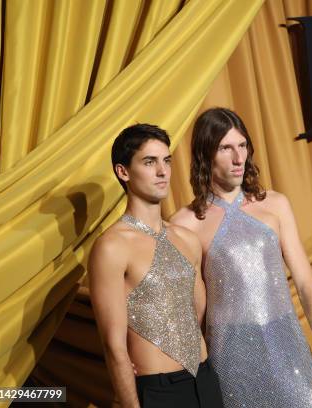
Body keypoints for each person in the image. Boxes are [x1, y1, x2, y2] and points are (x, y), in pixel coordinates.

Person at [170, 108, 312, 407]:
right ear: (205, 154)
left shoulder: (275, 205)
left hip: (287, 348)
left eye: (242, 145)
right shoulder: (185, 223)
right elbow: (185, 313)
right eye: (226, 148)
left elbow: (306, 284)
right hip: (230, 361)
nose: (239, 158)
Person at [88, 124, 224, 408]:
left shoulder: (187, 239)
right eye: (149, 162)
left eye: (166, 161)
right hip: (160, 391)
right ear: (123, 172)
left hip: (206, 380)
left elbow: (199, 318)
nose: (163, 172)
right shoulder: (112, 246)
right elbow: (113, 347)